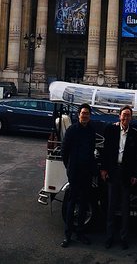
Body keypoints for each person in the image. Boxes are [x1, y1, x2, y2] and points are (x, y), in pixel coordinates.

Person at [100, 105, 137, 250]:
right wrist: (104, 169)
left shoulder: (135, 134)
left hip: (126, 174)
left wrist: (135, 175)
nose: (125, 118)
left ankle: (124, 238)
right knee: (111, 206)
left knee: (125, 208)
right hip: (113, 171)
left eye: (128, 115)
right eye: (123, 115)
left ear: (131, 118)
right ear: (119, 116)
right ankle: (109, 237)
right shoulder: (111, 130)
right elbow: (105, 151)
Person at [60, 103, 97, 248]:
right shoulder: (71, 130)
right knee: (71, 204)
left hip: (86, 172)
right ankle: (68, 235)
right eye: (83, 113)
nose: (85, 115)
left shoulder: (91, 131)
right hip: (74, 172)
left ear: (89, 116)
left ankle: (80, 233)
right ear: (78, 115)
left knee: (83, 204)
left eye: (87, 113)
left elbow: (92, 150)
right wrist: (69, 167)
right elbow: (64, 151)